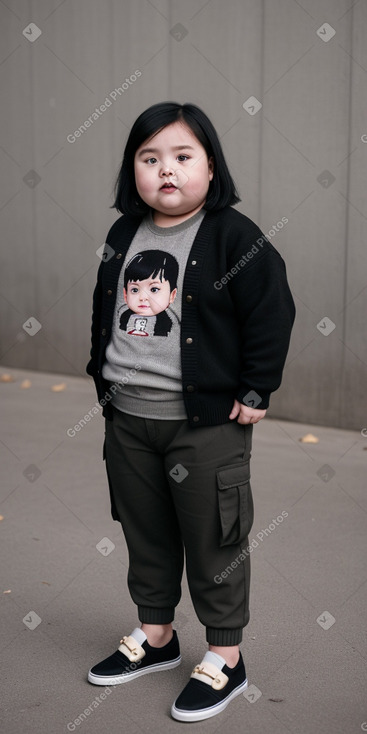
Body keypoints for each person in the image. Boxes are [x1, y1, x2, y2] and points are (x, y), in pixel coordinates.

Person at [86, 101, 296, 722]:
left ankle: (225, 658)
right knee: (144, 530)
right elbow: (106, 308)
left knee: (214, 538)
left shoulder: (235, 236)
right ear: (134, 171)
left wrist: (256, 389)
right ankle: (156, 638)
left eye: (182, 157)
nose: (166, 171)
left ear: (211, 166)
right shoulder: (124, 233)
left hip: (205, 425)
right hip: (129, 418)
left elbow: (271, 314)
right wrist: (101, 377)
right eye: (150, 159)